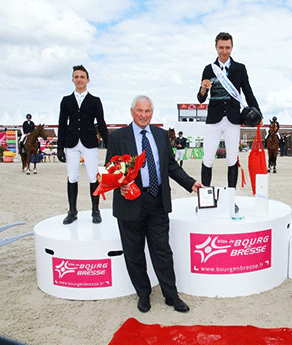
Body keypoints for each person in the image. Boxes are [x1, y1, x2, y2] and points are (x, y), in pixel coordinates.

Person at [106, 95, 203, 313]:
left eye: (147, 111)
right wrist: (119, 183)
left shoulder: (160, 135)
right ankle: (143, 294)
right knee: (135, 253)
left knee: (162, 253)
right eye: (139, 111)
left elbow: (171, 166)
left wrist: (191, 183)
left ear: (152, 113)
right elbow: (109, 169)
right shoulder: (118, 137)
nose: (143, 115)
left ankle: (171, 295)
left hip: (157, 202)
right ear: (132, 112)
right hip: (129, 203)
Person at [197, 32, 261, 188]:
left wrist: (258, 113)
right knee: (208, 158)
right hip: (213, 120)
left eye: (227, 47)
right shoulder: (208, 69)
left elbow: (248, 92)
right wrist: (203, 89)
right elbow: (201, 98)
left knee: (232, 159)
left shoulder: (240, 68)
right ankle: (205, 198)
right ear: (215, 47)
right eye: (221, 48)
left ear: (232, 47)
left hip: (233, 119)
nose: (224, 51)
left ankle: (231, 198)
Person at [57, 65, 108, 225]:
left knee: (93, 176)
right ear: (73, 79)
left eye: (82, 77)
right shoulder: (66, 101)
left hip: (89, 142)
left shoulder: (95, 100)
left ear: (88, 80)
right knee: (72, 177)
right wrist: (60, 147)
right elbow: (61, 124)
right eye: (76, 77)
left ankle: (95, 210)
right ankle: (72, 211)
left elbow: (101, 122)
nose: (79, 79)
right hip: (71, 143)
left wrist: (109, 144)